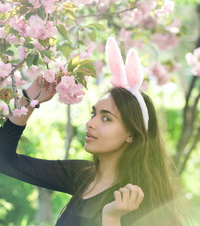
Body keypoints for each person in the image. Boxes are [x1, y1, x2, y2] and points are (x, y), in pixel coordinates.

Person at [0, 38, 189, 226]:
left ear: (131, 134)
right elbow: (4, 160)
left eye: (106, 118)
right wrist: (29, 100)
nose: (90, 123)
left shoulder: (135, 199)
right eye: (93, 114)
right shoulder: (81, 175)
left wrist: (112, 218)